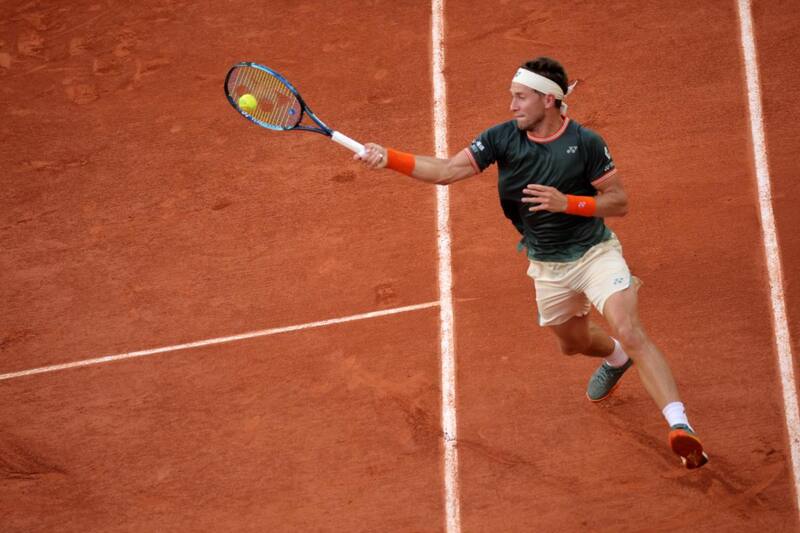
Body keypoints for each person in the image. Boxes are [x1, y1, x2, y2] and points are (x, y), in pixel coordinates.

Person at [354, 56, 708, 469]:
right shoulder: (502, 138)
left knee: (629, 328)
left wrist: (567, 203)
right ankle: (616, 358)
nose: (512, 105)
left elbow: (619, 202)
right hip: (547, 265)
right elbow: (448, 170)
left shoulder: (586, 143)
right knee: (573, 344)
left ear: (548, 99)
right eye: (512, 97)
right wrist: (390, 158)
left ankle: (680, 426)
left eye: (521, 97)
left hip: (594, 254)